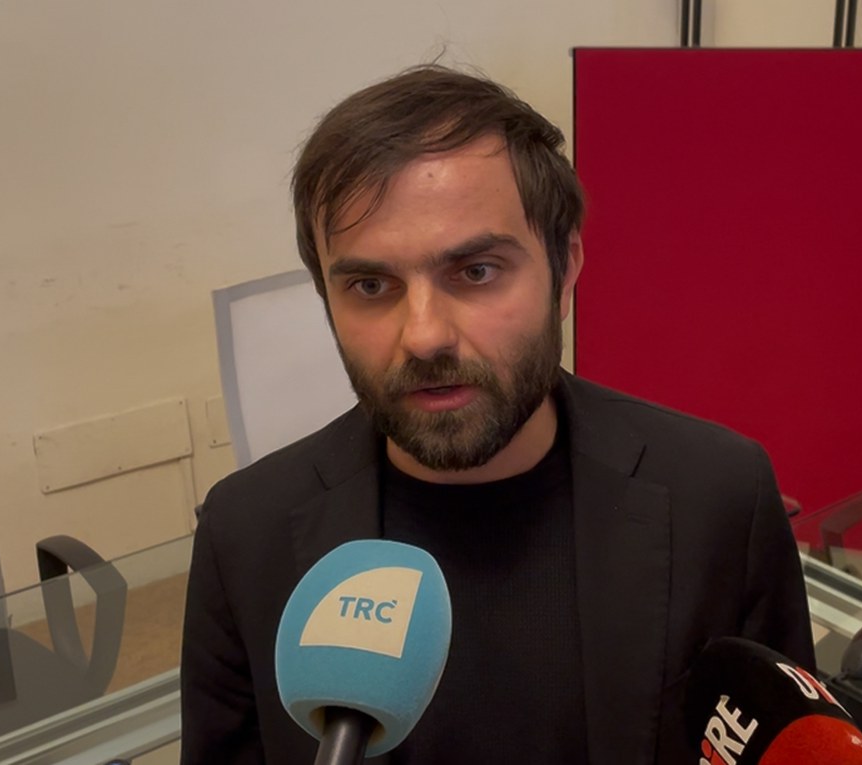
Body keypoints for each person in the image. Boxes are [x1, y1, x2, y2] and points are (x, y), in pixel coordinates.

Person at [181, 64, 815, 764]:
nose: (424, 336)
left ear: (564, 270)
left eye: (476, 271)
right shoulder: (245, 537)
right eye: (370, 285)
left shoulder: (719, 499)